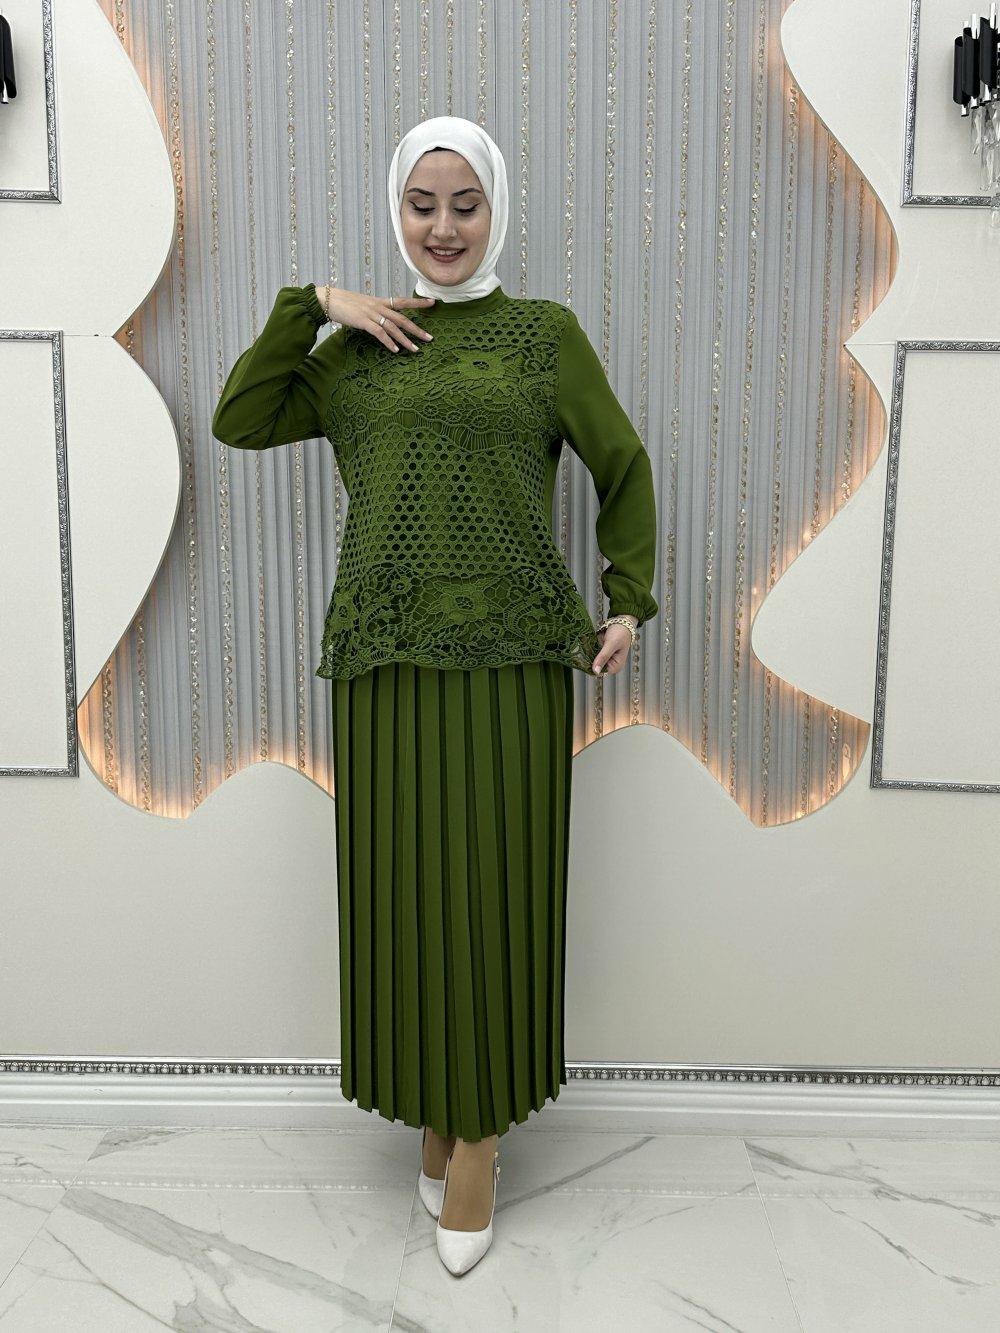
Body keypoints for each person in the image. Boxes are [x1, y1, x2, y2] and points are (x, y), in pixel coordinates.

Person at [212, 114, 658, 1275]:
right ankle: (429, 1104)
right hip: (384, 660)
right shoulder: (358, 348)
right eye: (423, 205)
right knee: (403, 896)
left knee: (494, 890)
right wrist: (316, 304)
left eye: (465, 204)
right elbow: (240, 418)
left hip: (512, 660)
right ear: (396, 212)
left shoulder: (542, 335)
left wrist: (627, 598)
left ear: (495, 209)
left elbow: (621, 463)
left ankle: (480, 1136)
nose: (444, 227)